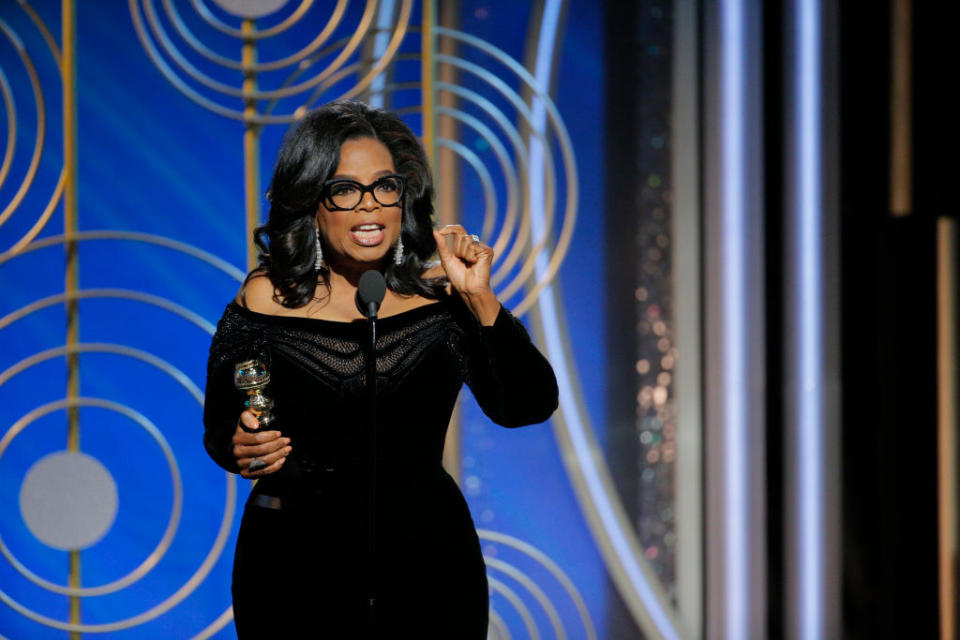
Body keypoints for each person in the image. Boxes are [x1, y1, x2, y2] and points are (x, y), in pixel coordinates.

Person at [202, 100, 558, 638]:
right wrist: (241, 445)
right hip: (293, 571)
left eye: (384, 186)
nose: (369, 207)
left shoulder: (443, 304)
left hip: (429, 570)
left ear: (404, 196)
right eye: (345, 190)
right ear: (313, 202)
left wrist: (483, 301)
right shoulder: (266, 300)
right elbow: (222, 428)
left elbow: (526, 406)